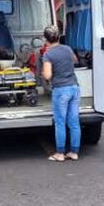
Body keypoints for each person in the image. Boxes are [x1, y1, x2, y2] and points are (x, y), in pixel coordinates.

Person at [41, 25, 80, 162]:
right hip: (74, 88)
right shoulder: (67, 48)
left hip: (61, 90)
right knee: (74, 122)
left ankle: (60, 153)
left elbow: (47, 75)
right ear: (58, 37)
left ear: (46, 39)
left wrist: (44, 73)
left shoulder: (48, 54)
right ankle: (74, 152)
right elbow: (75, 60)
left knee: (60, 122)